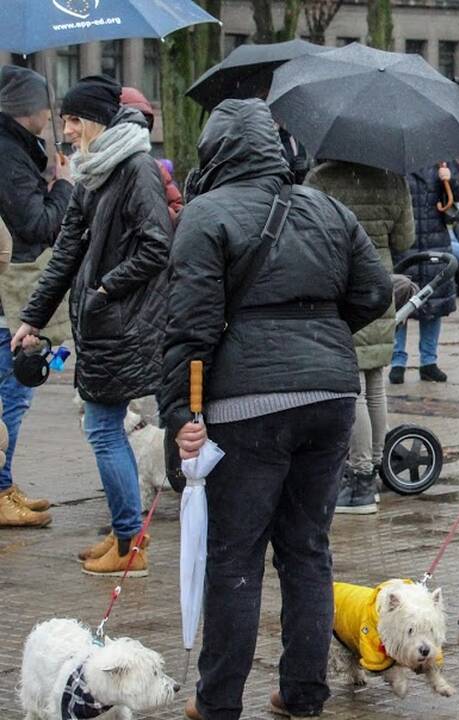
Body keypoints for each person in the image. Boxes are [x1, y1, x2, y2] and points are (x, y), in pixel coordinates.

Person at [159, 99, 391, 720]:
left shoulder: (206, 215)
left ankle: (217, 704)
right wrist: (317, 334)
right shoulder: (327, 208)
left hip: (248, 406)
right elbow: (374, 290)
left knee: (234, 556)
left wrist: (178, 412)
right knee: (307, 549)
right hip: (332, 397)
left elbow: (189, 327)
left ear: (216, 154)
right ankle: (303, 694)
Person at [13, 75, 172, 575]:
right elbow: (65, 254)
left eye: (73, 120)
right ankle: (126, 537)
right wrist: (32, 320)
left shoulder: (137, 169)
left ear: (94, 121)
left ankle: (130, 545)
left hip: (122, 326)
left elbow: (156, 246)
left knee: (104, 428)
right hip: (102, 326)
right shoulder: (94, 173)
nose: (66, 129)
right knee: (104, 427)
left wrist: (105, 290)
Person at [306, 159, 415, 514]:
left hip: (340, 282)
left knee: (352, 386)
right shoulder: (391, 177)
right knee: (374, 383)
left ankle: (360, 476)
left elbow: (306, 232)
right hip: (379, 282)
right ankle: (378, 466)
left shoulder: (321, 179)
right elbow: (405, 239)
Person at [0, 65, 73, 528]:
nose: (52, 114)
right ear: (28, 109)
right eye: (46, 104)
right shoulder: (8, 154)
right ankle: (1, 486)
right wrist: (63, 185)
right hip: (12, 293)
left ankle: (5, 483)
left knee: (15, 391)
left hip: (14, 291)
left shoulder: (16, 150)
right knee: (14, 393)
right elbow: (37, 226)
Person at [390, 163, 459, 384]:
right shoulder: (394, 167)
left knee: (433, 305)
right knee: (401, 305)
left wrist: (449, 180)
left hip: (435, 243)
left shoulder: (440, 163)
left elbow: (456, 196)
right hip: (404, 246)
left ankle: (428, 362)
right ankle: (397, 361)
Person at [119, 86, 183, 224]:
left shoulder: (155, 168)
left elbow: (177, 212)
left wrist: (154, 209)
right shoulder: (95, 168)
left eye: (143, 124)